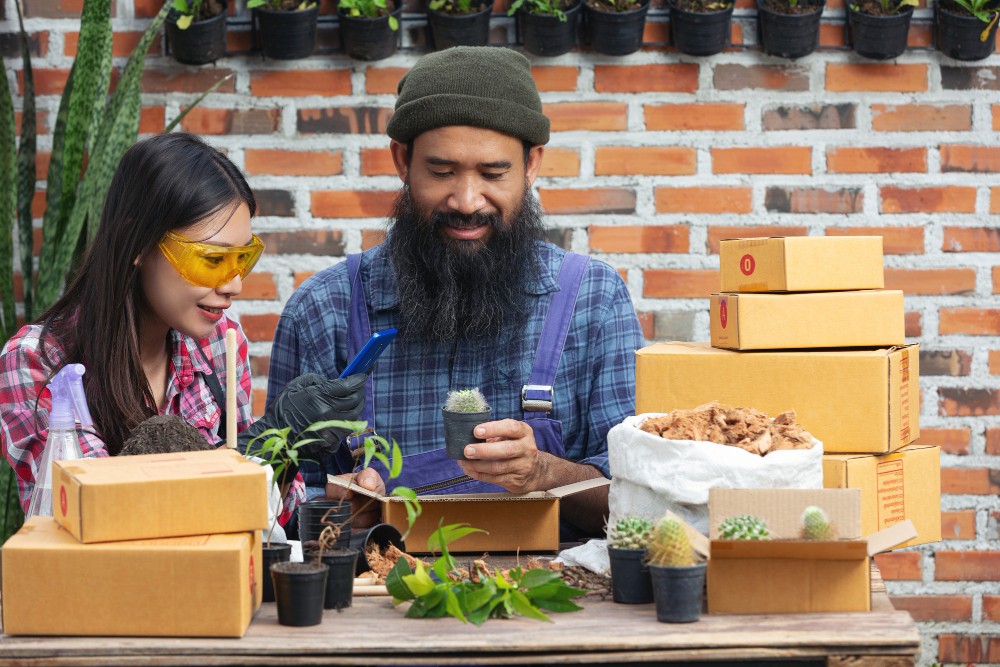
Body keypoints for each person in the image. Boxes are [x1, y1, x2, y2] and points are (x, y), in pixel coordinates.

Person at [267, 47, 644, 538]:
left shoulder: (594, 301)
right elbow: (270, 505)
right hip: (376, 605)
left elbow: (640, 502)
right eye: (442, 172)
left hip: (556, 600)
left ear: (531, 164)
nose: (466, 202)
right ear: (403, 161)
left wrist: (547, 475)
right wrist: (337, 507)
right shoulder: (322, 311)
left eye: (493, 174)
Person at [0, 132, 365, 521]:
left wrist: (291, 449)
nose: (234, 285)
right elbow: (107, 513)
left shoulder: (222, 345)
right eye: (211, 260)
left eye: (242, 258)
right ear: (137, 243)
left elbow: (269, 514)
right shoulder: (39, 363)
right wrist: (264, 444)